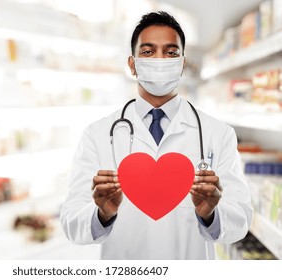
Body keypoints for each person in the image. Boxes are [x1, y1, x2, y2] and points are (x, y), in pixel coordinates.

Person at [60, 11, 253, 259]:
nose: (160, 60)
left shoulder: (218, 134)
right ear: (132, 64)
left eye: (171, 53)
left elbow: (241, 219)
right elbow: (71, 222)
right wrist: (102, 214)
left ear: (182, 63)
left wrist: (210, 215)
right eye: (148, 52)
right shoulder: (96, 135)